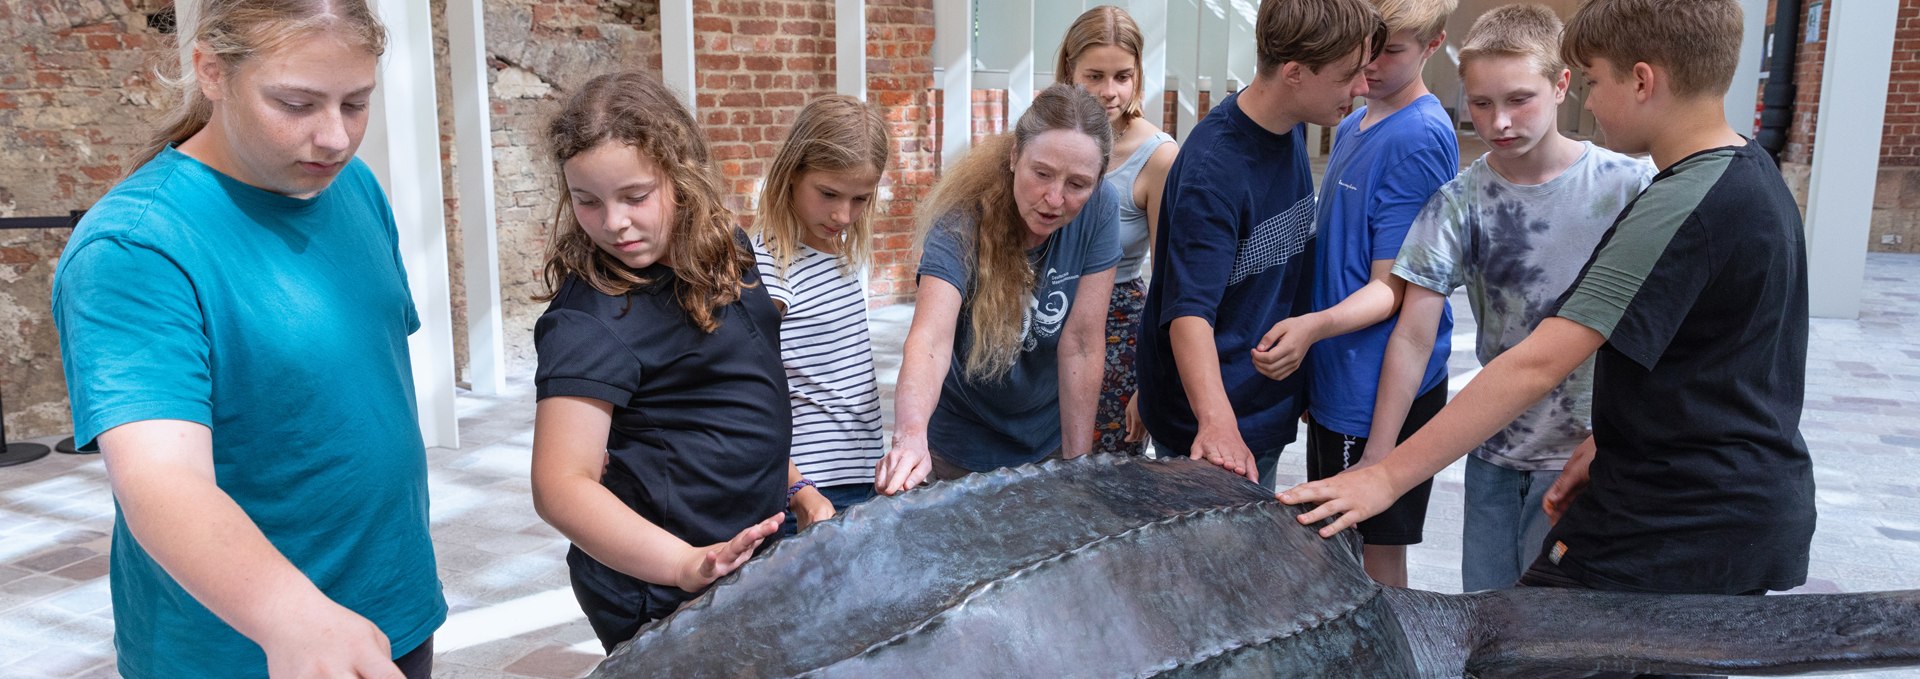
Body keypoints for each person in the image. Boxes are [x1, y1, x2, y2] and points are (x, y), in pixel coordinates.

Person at [1282, 0, 1816, 602]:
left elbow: (1539, 362)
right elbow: (1709, 364)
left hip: (1686, 519)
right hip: (1701, 501)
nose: (1588, 101)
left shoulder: (1673, 202)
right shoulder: (1750, 173)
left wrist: (1386, 476)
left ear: (1641, 81)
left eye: (1592, 81)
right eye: (1482, 104)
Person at [50, 1, 444, 676]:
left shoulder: (354, 189)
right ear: (211, 71)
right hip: (241, 644)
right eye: (295, 103)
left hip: (391, 610)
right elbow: (161, 478)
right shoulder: (136, 247)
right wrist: (292, 613)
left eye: (356, 103)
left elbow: (360, 395)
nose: (335, 138)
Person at [528, 71, 831, 652]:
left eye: (635, 197)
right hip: (663, 581)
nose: (613, 223)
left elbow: (739, 394)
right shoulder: (589, 319)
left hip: (746, 552)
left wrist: (798, 490)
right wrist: (685, 564)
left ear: (682, 176)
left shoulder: (727, 249)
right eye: (586, 201)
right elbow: (559, 485)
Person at [1370, 4, 1653, 592]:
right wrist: (1380, 459)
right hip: (1495, 456)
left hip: (1595, 460)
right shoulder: (1459, 201)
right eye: (1480, 104)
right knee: (1491, 623)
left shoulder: (1630, 188)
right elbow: (1414, 334)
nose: (1499, 122)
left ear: (1561, 85)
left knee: (1565, 638)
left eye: (1519, 99)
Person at [1248, 0, 1457, 586]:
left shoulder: (1418, 136)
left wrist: (1314, 329)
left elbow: (1394, 290)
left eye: (1392, 52)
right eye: (1368, 49)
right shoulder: (1352, 122)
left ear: (1433, 45)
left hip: (1376, 391)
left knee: (1374, 558)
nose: (1372, 66)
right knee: (1335, 555)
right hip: (1340, 377)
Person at [1137, 0, 1384, 490]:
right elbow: (1188, 315)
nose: (1361, 88)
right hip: (1208, 424)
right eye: (1347, 75)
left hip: (1263, 404)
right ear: (1294, 72)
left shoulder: (1288, 126)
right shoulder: (1215, 170)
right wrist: (1217, 423)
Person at [874, 83, 1119, 494]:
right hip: (959, 448)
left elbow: (1081, 343)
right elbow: (931, 339)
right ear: (1013, 157)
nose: (1055, 198)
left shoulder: (1102, 207)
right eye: (1041, 174)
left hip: (1044, 443)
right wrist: (911, 435)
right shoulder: (961, 215)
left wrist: (1078, 468)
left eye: (1078, 184)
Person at [752, 95, 893, 529]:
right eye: (828, 193)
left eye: (859, 199)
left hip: (861, 479)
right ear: (793, 173)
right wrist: (799, 490)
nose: (842, 214)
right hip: (809, 493)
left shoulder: (838, 250)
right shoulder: (769, 267)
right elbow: (747, 398)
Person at [1055, 5, 1180, 456]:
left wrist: (1151, 379)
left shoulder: (1158, 157)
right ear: (1069, 71)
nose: (1110, 92)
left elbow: (1169, 277)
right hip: (1043, 318)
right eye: (1094, 76)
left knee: (1103, 485)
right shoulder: (1043, 137)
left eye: (1123, 76)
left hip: (1118, 329)